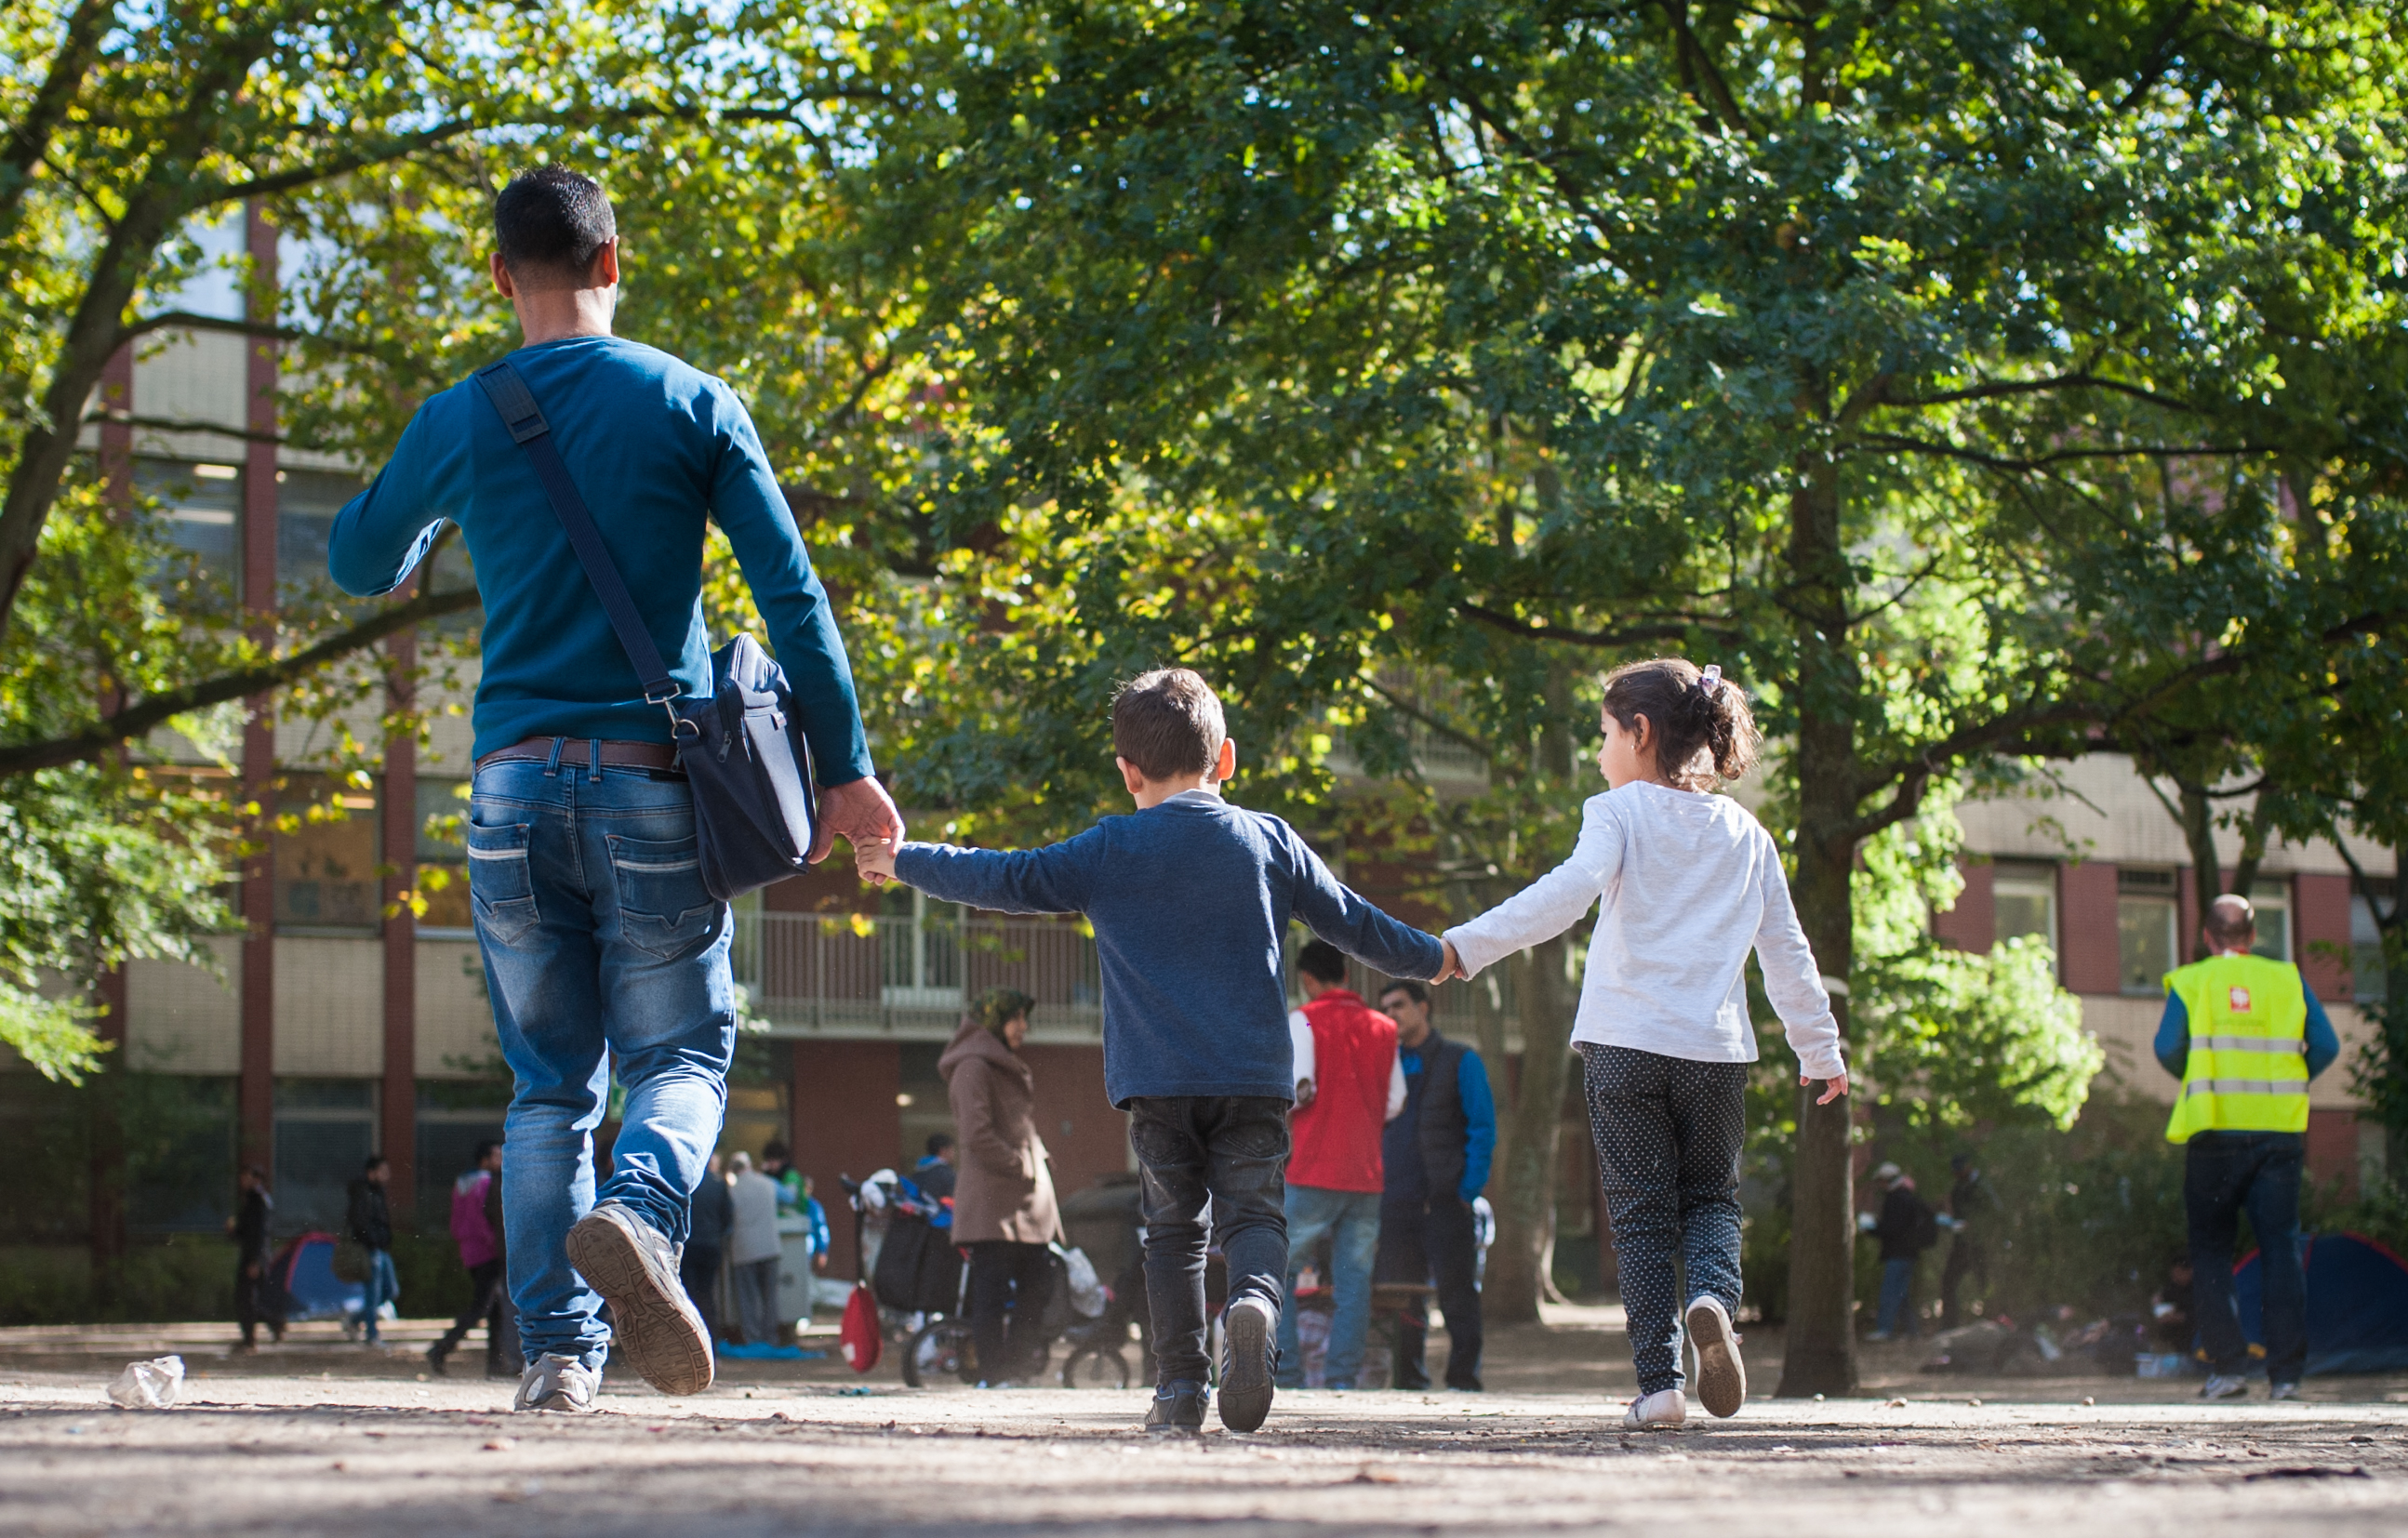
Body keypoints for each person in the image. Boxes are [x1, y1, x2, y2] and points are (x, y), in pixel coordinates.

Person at [328, 165, 901, 1412]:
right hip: (651, 784)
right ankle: (641, 1206)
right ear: (611, 261)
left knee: (548, 1084)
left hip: (510, 790)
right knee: (684, 1051)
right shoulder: (692, 401)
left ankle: (558, 1358)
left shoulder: (461, 414)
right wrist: (846, 772)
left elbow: (356, 557)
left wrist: (435, 515)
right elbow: (793, 599)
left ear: (499, 276)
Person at [857, 668, 1447, 1435]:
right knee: (1254, 1218)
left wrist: (899, 859)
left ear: (1127, 770)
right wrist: (1436, 956)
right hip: (1252, 1079)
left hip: (1158, 1083)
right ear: (1226, 759)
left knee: (1172, 1235)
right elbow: (1355, 924)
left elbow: (1004, 876)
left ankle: (1177, 1389)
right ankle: (1255, 1304)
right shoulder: (1268, 840)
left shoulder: (1109, 848)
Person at [1435, 659, 1847, 1430]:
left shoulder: (1617, 813)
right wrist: (1817, 1049)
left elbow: (1562, 895)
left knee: (1640, 1216)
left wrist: (1464, 947)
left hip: (1624, 1046)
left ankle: (1659, 1387)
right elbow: (1786, 951)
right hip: (1715, 1054)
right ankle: (1710, 1300)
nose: (1598, 752)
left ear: (1640, 731)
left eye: (1602, 734)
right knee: (1711, 1201)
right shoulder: (1746, 832)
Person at [2157, 892, 2341, 1402]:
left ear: (2206, 937)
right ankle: (2285, 1379)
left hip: (2215, 1132)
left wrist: (2203, 1078)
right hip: (2279, 1135)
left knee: (2211, 1251)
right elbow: (2325, 1046)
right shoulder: (2286, 979)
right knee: (2280, 1249)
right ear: (2254, 937)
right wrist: (2285, 1082)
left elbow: (2167, 1047)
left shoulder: (2194, 981)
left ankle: (2230, 1371)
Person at [1276, 941, 1404, 1392]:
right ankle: (1341, 1379)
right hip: (1366, 1173)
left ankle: (1288, 1375)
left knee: (1279, 1272)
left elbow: (1294, 1089)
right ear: (1346, 975)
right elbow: (1395, 1101)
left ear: (1308, 979)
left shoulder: (1303, 1020)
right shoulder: (1384, 1027)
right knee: (1355, 1283)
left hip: (1311, 1167)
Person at [1373, 978, 1496, 1392]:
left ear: (1424, 1007)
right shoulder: (1384, 1062)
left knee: (1458, 1295)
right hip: (1397, 1201)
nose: (1391, 1015)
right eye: (1385, 1008)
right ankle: (1409, 1379)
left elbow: (1483, 1127)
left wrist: (1467, 1191)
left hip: (1447, 1202)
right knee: (1404, 1297)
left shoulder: (1462, 1060)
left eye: (1399, 1006)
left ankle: (1464, 1378)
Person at [941, 987, 1062, 1386]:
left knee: (1039, 1283)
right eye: (1016, 1019)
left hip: (1021, 1204)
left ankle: (1012, 1367)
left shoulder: (996, 1063)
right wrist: (1022, 1166)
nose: (1023, 1028)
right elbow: (976, 1134)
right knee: (993, 1292)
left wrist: (1036, 1162)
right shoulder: (973, 1066)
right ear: (995, 1021)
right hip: (995, 1203)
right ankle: (995, 1373)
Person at [429, 1140, 519, 1377]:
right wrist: (495, 1243)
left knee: (495, 1309)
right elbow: (482, 1219)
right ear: (485, 1159)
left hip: (470, 1249)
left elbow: (459, 1220)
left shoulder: (462, 1182)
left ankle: (496, 1363)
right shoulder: (485, 1182)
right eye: (497, 1155)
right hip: (487, 1250)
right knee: (483, 1306)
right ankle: (441, 1348)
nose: (501, 1158)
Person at [1866, 1162, 1934, 1341]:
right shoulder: (1908, 1198)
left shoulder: (1897, 1199)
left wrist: (1872, 1229)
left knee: (1890, 1292)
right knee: (1901, 1294)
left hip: (1899, 1254)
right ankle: (1912, 1331)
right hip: (1908, 1254)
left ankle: (1884, 1329)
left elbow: (1893, 1228)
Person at [726, 1150, 782, 1346]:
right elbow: (791, 1197)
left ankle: (753, 1338)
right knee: (770, 1297)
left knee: (747, 1299)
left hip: (744, 1250)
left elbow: (726, 1220)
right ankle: (771, 1337)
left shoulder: (732, 1191)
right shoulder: (768, 1184)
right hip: (770, 1247)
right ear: (749, 1166)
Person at [1938, 1152, 1996, 1330]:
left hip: (1979, 1244)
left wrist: (1971, 1225)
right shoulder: (1958, 1187)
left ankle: (1992, 1321)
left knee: (1984, 1283)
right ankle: (1950, 1325)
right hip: (1961, 1245)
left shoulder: (1981, 1187)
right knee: (1948, 1282)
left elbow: (1993, 1214)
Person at [345, 1156, 398, 1347]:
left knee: (390, 1291)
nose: (387, 1175)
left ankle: (353, 1321)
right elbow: (359, 1222)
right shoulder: (362, 1192)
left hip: (381, 1249)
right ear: (371, 1172)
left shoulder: (378, 1192)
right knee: (373, 1294)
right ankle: (372, 1334)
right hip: (370, 1249)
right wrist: (372, 1241)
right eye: (383, 1171)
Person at [682, 1152, 734, 1345]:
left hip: (689, 1245)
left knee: (687, 1294)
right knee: (708, 1295)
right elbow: (727, 1217)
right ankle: (711, 1343)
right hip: (711, 1245)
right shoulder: (719, 1184)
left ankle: (690, 1342)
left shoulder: (688, 1184)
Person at [228, 1165, 281, 1351]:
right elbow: (244, 1233)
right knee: (247, 1298)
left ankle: (252, 1337)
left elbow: (262, 1234)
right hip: (249, 1255)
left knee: (248, 1298)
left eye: (247, 1176)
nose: (243, 1180)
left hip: (256, 1257)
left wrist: (257, 1260)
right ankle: (271, 1324)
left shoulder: (260, 1202)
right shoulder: (249, 1201)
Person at [914, 1134, 960, 1201]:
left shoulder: (918, 1172)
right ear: (943, 1151)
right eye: (952, 1150)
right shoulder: (947, 1174)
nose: (954, 1154)